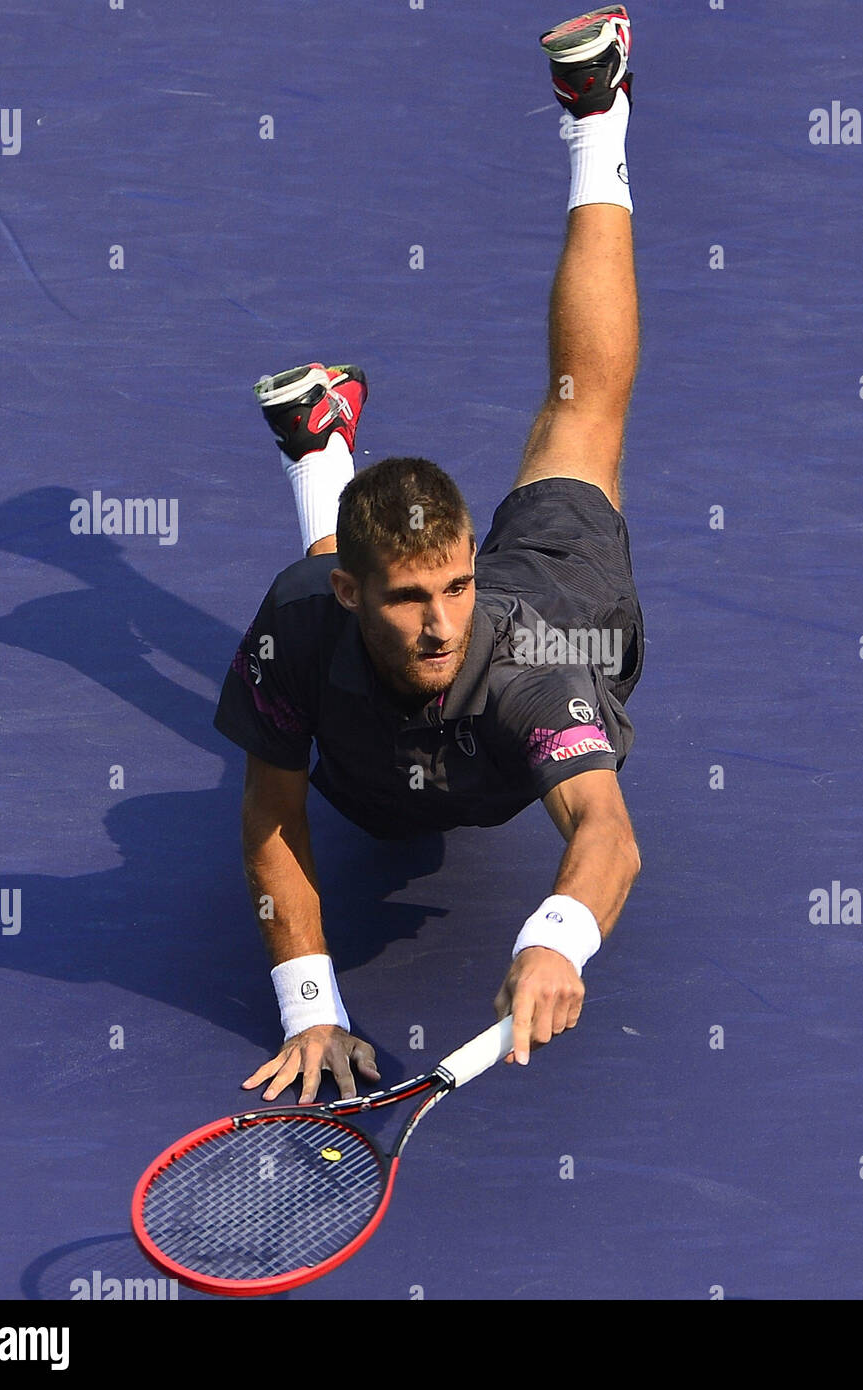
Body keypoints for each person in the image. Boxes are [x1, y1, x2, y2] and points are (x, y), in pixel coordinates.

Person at [213, 7, 643, 1103]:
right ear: (364, 590)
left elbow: (605, 833)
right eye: (413, 596)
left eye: (454, 584)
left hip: (546, 599)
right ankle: (321, 449)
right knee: (327, 614)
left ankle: (596, 120)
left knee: (581, 411)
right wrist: (311, 1004)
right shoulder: (309, 611)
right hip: (371, 763)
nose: (443, 619)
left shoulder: (526, 658)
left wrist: (557, 935)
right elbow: (272, 807)